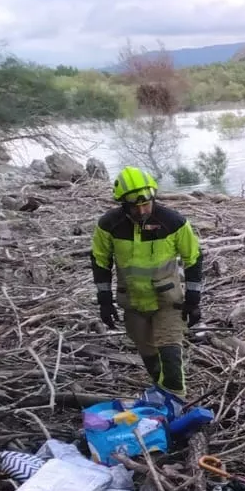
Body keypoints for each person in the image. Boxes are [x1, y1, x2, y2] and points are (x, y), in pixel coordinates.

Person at [91, 167, 204, 398]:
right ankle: (161, 394)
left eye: (147, 203)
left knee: (171, 356)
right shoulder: (109, 225)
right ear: (122, 203)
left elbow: (193, 258)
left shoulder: (173, 222)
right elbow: (100, 261)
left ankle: (176, 406)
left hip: (168, 301)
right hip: (133, 302)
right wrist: (104, 301)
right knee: (149, 355)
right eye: (135, 206)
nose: (142, 210)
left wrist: (194, 300)